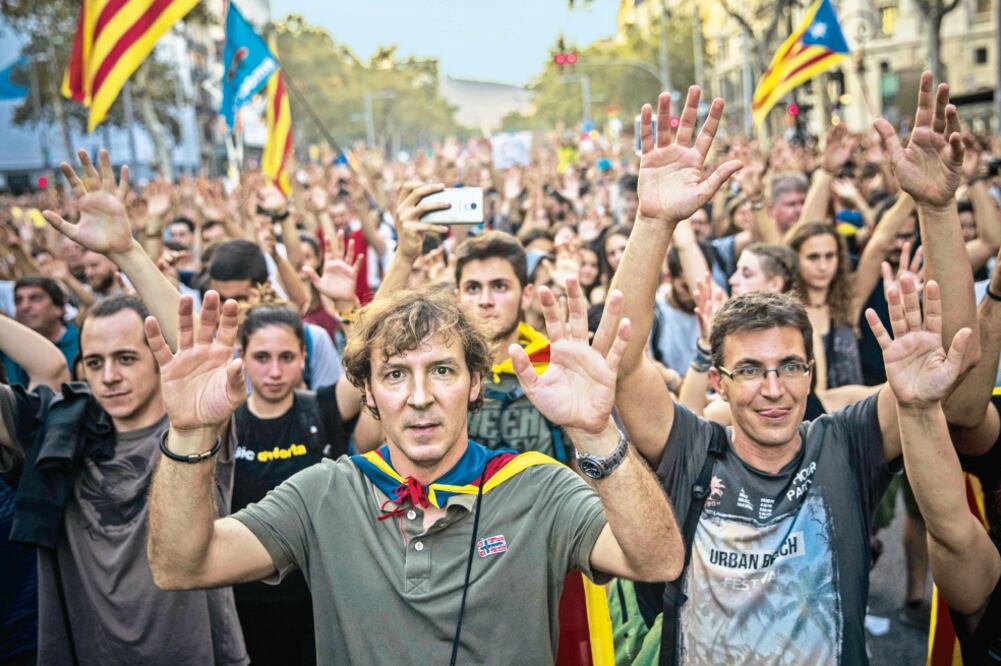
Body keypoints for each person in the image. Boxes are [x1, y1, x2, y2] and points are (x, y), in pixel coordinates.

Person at [604, 80, 977, 664]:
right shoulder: (692, 449)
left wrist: (936, 208)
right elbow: (622, 364)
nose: (773, 390)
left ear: (810, 372)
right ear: (719, 381)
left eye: (789, 368)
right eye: (750, 370)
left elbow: (950, 371)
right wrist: (653, 222)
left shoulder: (845, 443)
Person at [144, 283, 684, 664]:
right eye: (396, 374)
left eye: (442, 371)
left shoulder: (538, 486)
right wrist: (191, 433)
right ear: (368, 392)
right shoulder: (324, 492)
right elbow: (180, 566)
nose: (420, 397)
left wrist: (595, 433)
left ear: (476, 384)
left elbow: (658, 560)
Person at [229, 304, 362, 665]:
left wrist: (353, 309)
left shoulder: (322, 409)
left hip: (318, 602)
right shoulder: (225, 424)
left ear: (305, 357)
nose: (274, 371)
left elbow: (369, 358)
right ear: (241, 357)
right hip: (243, 602)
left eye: (286, 356)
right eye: (261, 357)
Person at [2, 277, 80, 387]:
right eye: (18, 301)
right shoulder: (7, 348)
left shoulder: (82, 345)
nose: (24, 307)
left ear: (60, 308)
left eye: (35, 298)